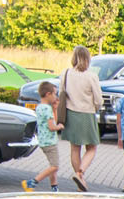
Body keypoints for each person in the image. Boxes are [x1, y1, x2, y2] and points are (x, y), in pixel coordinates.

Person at [61, 44, 103, 191]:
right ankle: (80, 173)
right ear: (88, 59)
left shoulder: (66, 73)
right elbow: (98, 99)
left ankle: (80, 181)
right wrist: (96, 108)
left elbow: (62, 93)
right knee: (92, 147)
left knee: (74, 148)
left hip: (71, 113)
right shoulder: (92, 76)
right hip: (87, 113)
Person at [22, 80, 64, 191]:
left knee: (52, 166)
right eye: (54, 93)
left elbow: (51, 121)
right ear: (48, 94)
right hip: (50, 142)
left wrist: (55, 109)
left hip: (44, 141)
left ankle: (54, 187)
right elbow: (52, 126)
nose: (55, 96)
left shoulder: (40, 107)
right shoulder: (47, 109)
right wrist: (60, 126)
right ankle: (32, 182)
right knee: (55, 166)